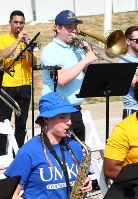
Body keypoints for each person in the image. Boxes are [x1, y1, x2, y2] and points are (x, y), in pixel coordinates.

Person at [39, 10, 98, 141]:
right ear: (58, 28)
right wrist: (85, 60)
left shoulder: (77, 49)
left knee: (79, 152)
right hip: (57, 110)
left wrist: (88, 52)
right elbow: (61, 79)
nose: (74, 31)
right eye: (69, 27)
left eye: (75, 27)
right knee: (59, 154)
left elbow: (91, 76)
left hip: (75, 109)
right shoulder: (50, 50)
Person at [0, 10, 33, 152]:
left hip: (25, 85)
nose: (18, 25)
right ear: (10, 23)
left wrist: (28, 47)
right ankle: (0, 152)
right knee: (4, 122)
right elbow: (1, 56)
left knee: (21, 123)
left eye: (21, 22)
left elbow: (33, 63)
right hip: (7, 86)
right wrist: (17, 41)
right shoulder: (2, 39)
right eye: (15, 22)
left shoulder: (26, 41)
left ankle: (18, 151)